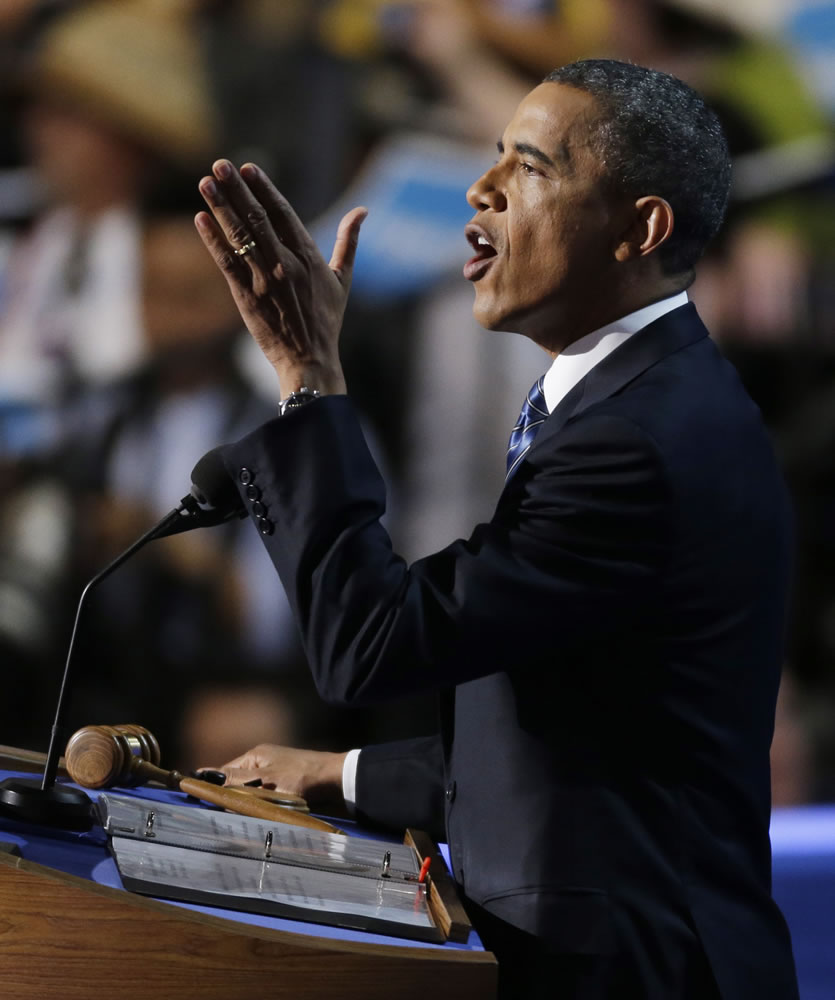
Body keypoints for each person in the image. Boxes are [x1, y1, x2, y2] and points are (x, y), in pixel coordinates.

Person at [193, 60, 798, 999]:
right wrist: (340, 772)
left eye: (530, 167)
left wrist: (309, 379)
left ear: (640, 228)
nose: (482, 189)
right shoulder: (642, 401)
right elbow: (579, 747)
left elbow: (371, 646)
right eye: (493, 159)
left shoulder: (633, 443)